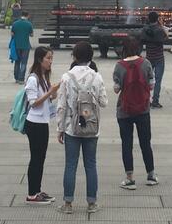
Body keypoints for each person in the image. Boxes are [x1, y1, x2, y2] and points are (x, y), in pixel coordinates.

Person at [55, 41, 108, 215]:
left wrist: (60, 128)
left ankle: (68, 203)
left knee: (70, 165)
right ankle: (92, 203)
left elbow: (61, 106)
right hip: (92, 128)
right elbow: (104, 102)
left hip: (72, 127)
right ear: (91, 57)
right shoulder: (97, 77)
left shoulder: (67, 77)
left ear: (75, 56)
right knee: (91, 165)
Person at [113, 37, 158, 190]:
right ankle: (151, 175)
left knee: (127, 144)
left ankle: (130, 178)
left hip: (124, 110)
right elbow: (152, 84)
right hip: (143, 109)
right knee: (146, 142)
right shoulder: (146, 63)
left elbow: (116, 88)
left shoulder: (119, 66)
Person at [24, 46, 60, 204]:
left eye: (51, 58)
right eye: (48, 58)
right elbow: (34, 103)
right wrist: (49, 92)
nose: (50, 61)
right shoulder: (33, 78)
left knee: (41, 158)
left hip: (43, 122)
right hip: (34, 123)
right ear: (40, 59)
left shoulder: (43, 77)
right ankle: (32, 194)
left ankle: (37, 190)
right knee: (36, 158)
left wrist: (53, 92)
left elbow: (49, 99)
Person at [140, 11, 167, 108]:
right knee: (158, 80)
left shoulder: (145, 29)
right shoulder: (159, 29)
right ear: (157, 19)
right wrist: (161, 25)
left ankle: (146, 100)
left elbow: (142, 40)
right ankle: (155, 100)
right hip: (159, 57)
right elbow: (165, 37)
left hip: (149, 57)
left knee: (147, 79)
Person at [11, 11, 34, 84]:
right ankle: (21, 79)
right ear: (28, 16)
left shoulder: (15, 23)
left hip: (17, 45)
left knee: (17, 61)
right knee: (24, 63)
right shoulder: (29, 24)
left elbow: (12, 34)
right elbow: (31, 34)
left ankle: (16, 77)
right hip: (25, 46)